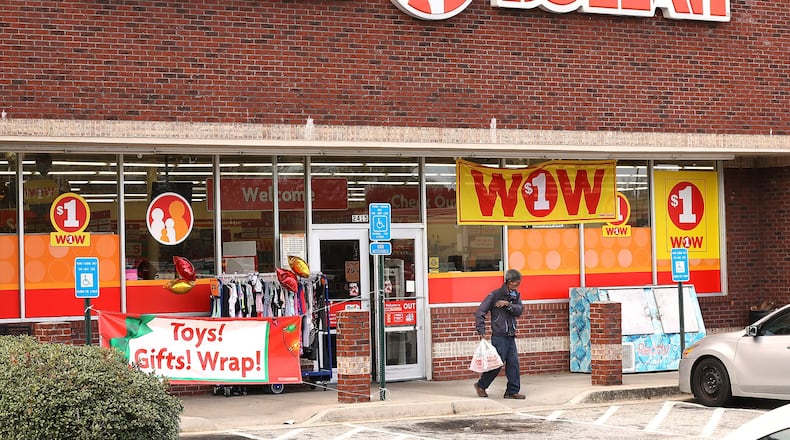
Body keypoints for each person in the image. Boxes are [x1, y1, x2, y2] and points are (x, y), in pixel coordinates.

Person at [473, 269, 525, 399]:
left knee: (513, 363)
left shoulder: (515, 296)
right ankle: (481, 385)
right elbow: (480, 312)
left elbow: (519, 311)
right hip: (499, 335)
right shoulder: (494, 295)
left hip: (510, 335)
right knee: (497, 363)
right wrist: (481, 330)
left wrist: (508, 304)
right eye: (515, 284)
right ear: (509, 282)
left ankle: (512, 391)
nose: (517, 287)